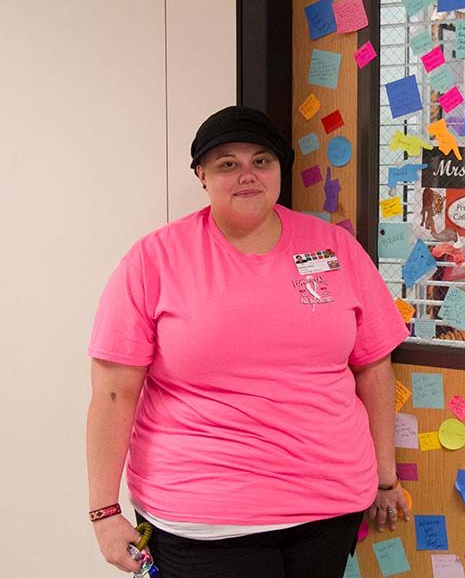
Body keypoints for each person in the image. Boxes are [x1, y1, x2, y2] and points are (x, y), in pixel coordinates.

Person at [86, 106, 410, 577]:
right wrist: (104, 512)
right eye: (227, 164)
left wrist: (384, 479)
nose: (247, 176)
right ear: (201, 174)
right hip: (204, 517)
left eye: (261, 161)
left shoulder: (334, 249)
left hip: (328, 507)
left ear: (279, 170)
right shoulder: (154, 260)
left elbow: (373, 367)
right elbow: (114, 392)